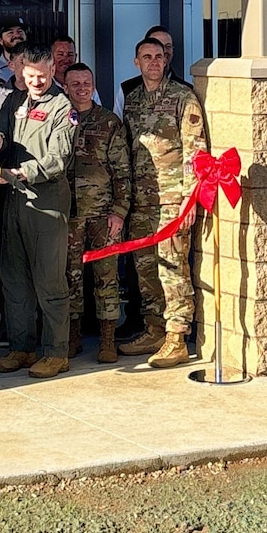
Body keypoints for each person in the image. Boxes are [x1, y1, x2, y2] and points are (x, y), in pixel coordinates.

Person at [0, 45, 75, 379]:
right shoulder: (15, 101)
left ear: (52, 71)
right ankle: (22, 347)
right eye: (30, 75)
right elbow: (0, 128)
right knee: (14, 279)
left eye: (41, 76)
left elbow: (58, 159)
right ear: (21, 71)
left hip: (46, 204)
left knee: (49, 281)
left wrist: (21, 173)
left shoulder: (62, 107)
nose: (35, 82)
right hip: (14, 202)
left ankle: (56, 351)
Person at [118, 37, 207, 368]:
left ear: (165, 60)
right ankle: (154, 329)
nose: (153, 62)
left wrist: (189, 200)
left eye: (158, 56)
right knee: (146, 270)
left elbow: (195, 151)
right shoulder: (132, 100)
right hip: (142, 200)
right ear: (136, 62)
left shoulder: (183, 98)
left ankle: (177, 337)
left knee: (172, 268)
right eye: (147, 57)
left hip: (172, 201)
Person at [62, 63, 130, 363]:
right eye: (75, 83)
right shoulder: (59, 118)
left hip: (103, 214)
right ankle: (73, 336)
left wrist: (119, 211)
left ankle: (107, 340)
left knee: (107, 277)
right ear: (66, 87)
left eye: (86, 82)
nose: (82, 88)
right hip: (69, 214)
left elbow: (122, 170)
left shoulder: (108, 122)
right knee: (70, 277)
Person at [113, 25, 180, 117]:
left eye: (168, 46)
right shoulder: (127, 89)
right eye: (156, 44)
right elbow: (117, 123)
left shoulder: (185, 91)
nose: (163, 50)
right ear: (137, 62)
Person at [0, 19, 28, 86]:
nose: (17, 35)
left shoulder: (38, 64)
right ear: (0, 40)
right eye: (10, 32)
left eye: (20, 31)